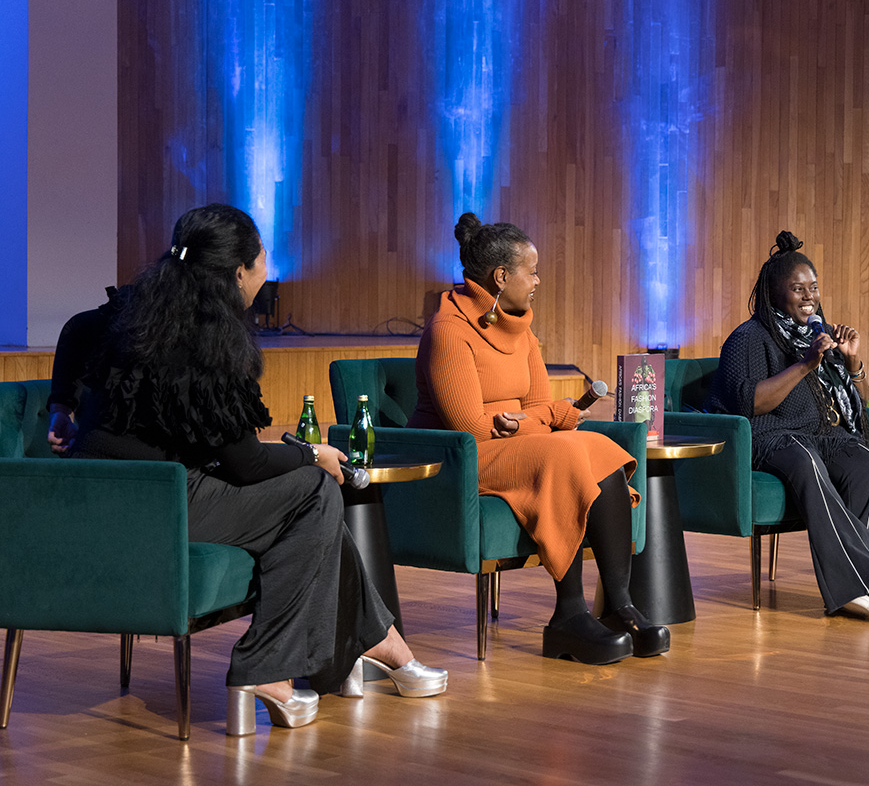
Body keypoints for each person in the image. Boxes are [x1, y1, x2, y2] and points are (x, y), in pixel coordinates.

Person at [48, 204, 448, 732]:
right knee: (314, 491)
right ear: (240, 271)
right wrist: (313, 454)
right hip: (161, 505)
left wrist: (60, 404)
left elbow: (81, 339)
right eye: (264, 262)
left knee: (310, 505)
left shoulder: (127, 317)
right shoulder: (210, 338)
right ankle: (266, 668)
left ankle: (378, 641)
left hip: (88, 497)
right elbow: (247, 463)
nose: (265, 274)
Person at [406, 212, 670, 664]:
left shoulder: (522, 329)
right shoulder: (448, 331)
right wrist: (535, 418)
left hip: (512, 443)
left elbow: (542, 410)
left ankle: (620, 606)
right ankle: (567, 616)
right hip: (462, 457)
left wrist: (529, 419)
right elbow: (469, 428)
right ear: (502, 276)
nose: (538, 281)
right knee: (562, 452)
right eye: (531, 271)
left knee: (601, 448)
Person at [704, 231, 869, 618]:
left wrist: (850, 362)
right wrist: (805, 365)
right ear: (774, 293)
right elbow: (752, 403)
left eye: (813, 287)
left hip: (818, 435)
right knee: (804, 459)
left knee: (863, 459)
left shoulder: (817, 335)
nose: (808, 296)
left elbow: (858, 404)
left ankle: (864, 582)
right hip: (766, 436)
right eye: (797, 289)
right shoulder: (748, 338)